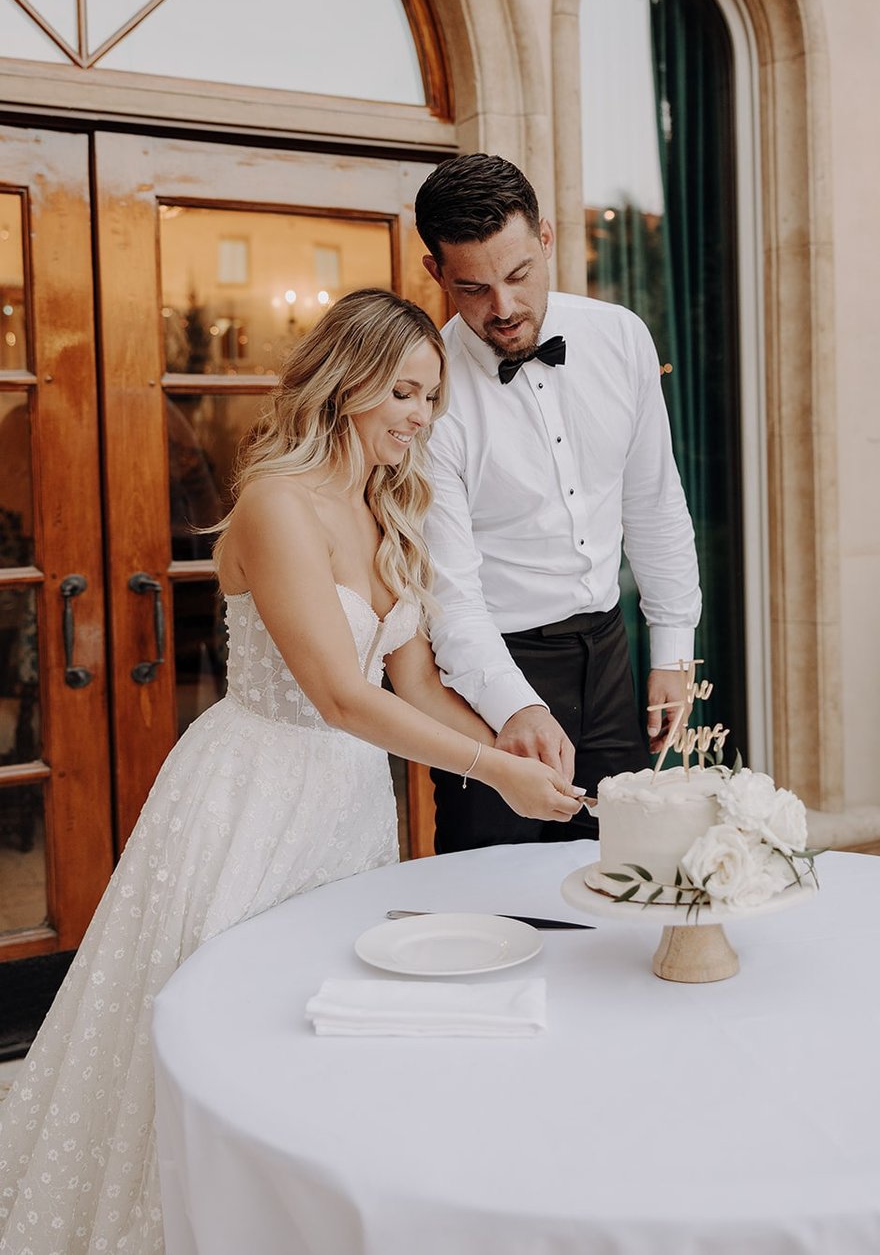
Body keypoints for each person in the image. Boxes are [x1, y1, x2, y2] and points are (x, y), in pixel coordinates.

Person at [0, 288, 582, 1255]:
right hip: (250, 797)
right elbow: (339, 698)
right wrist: (488, 768)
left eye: (431, 399)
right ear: (347, 381)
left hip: (350, 804)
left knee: (317, 1016)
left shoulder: (387, 512)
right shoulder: (276, 505)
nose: (417, 417)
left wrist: (513, 737)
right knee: (224, 1024)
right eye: (402, 391)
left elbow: (415, 686)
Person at [414, 154, 702, 852]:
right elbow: (449, 594)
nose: (503, 309)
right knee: (494, 899)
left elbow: (655, 502)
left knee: (623, 872)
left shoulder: (621, 337)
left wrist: (672, 648)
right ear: (436, 275)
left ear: (546, 238)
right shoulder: (428, 393)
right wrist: (515, 705)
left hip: (608, 654)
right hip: (488, 673)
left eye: (518, 276)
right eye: (474, 289)